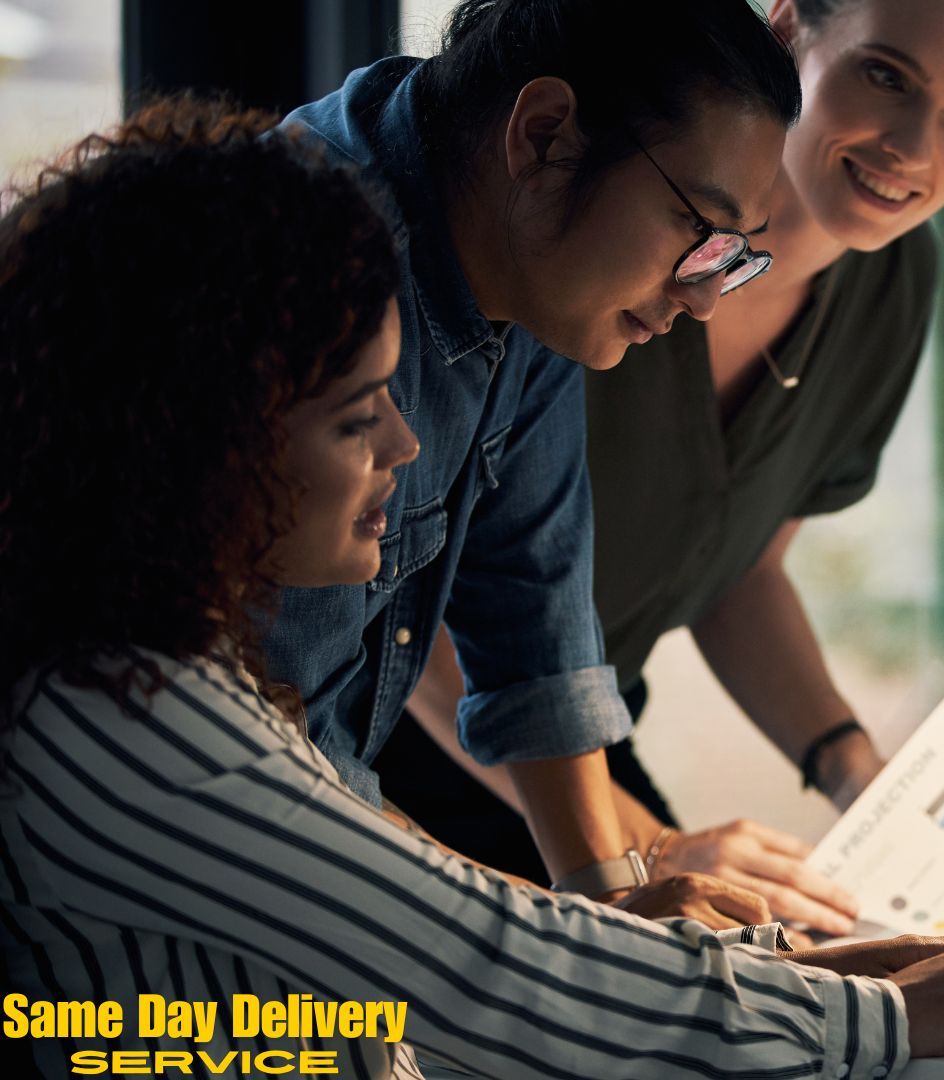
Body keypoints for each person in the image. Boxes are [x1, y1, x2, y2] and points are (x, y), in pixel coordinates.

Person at [0, 100, 944, 1080]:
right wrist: (864, 1020)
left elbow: (395, 959)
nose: (404, 441)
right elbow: (470, 965)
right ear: (197, 443)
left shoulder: (180, 674)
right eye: (354, 417)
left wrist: (767, 966)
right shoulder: (123, 714)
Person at [392, 0, 944, 939]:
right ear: (787, 37)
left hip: (569, 746)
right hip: (430, 748)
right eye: (886, 76)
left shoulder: (885, 284)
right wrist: (648, 858)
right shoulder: (575, 259)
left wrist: (857, 776)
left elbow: (725, 571)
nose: (914, 145)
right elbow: (424, 619)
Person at [261, 0, 802, 906]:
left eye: (731, 256)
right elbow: (271, 769)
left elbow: (535, 626)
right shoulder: (312, 274)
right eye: (697, 230)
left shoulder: (530, 272)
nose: (705, 299)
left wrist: (618, 903)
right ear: (544, 134)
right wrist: (596, 951)